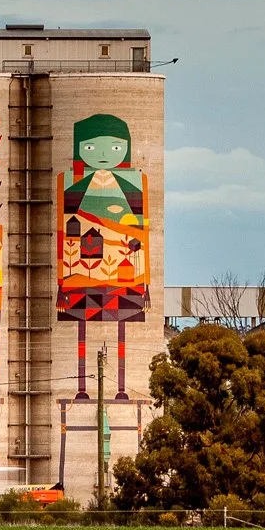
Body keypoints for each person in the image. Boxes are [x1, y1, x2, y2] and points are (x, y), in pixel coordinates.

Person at [58, 113, 147, 400]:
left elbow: (141, 233)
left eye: (116, 147)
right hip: (81, 270)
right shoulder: (70, 184)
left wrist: (143, 276)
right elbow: (65, 230)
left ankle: (122, 388)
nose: (106, 155)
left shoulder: (136, 185)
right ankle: (82, 388)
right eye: (93, 148)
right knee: (81, 331)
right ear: (80, 149)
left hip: (123, 272)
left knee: (122, 331)